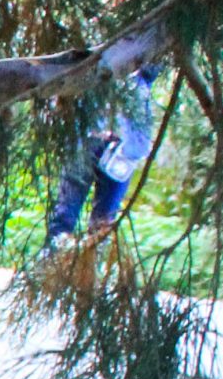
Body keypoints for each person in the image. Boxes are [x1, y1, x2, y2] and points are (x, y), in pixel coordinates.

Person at [42, 62, 161, 249]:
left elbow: (141, 141)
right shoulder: (99, 65)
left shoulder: (140, 87)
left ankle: (90, 268)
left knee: (102, 224)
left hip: (120, 154)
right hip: (88, 143)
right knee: (66, 216)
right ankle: (51, 262)